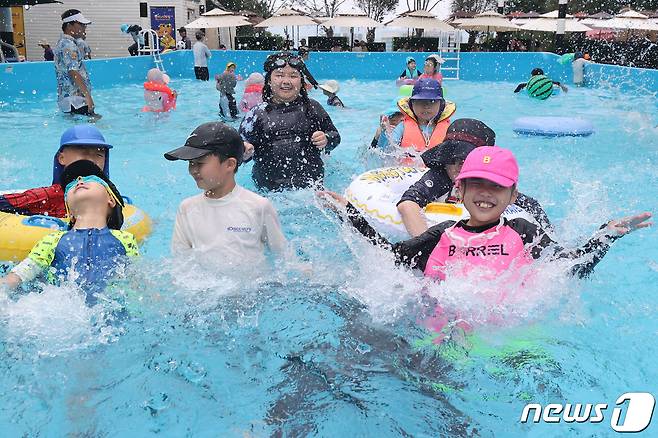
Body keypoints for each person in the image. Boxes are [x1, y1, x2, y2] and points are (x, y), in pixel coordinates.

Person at [319, 146, 651, 283]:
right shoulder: (442, 236)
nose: (486, 193)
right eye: (476, 183)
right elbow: (389, 259)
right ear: (459, 190)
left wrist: (604, 235)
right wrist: (350, 215)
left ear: (513, 195)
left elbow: (567, 268)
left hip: (510, 341)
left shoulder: (523, 232)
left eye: (497, 186)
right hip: (449, 337)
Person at [0, 160, 139, 306]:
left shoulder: (125, 239)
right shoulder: (53, 239)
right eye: (71, 185)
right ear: (70, 213)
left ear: (110, 200)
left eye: (90, 179)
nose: (79, 180)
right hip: (65, 310)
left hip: (109, 310)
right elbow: (24, 271)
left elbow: (134, 276)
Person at [396, 119, 550, 236]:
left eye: (466, 160)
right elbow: (408, 204)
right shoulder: (440, 176)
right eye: (452, 158)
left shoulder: (492, 184)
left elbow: (530, 205)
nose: (458, 166)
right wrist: (426, 244)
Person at [164, 122, 287, 268]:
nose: (193, 170)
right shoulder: (187, 209)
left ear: (229, 164)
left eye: (200, 163)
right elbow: (180, 263)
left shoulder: (257, 206)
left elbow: (282, 256)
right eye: (191, 163)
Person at [239, 52, 340, 191]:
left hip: (312, 189)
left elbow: (335, 136)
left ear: (301, 81)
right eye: (279, 75)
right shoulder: (256, 114)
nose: (286, 81)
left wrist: (326, 139)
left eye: (293, 76)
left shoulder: (312, 108)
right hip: (269, 190)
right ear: (269, 80)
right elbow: (237, 151)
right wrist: (244, 151)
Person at [0, 125, 111, 218]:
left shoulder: (109, 197)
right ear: (61, 158)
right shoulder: (49, 196)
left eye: (99, 155)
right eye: (84, 153)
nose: (91, 160)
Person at [377, 78, 455, 165]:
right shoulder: (402, 127)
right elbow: (386, 153)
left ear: (441, 105)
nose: (426, 106)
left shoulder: (450, 129)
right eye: (421, 101)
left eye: (432, 101)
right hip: (407, 173)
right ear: (411, 104)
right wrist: (385, 133)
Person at [53, 9, 96, 116]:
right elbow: (73, 72)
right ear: (69, 26)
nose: (84, 28)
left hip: (67, 100)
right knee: (95, 126)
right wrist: (87, 96)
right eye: (81, 24)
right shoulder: (69, 46)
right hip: (76, 101)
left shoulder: (62, 43)